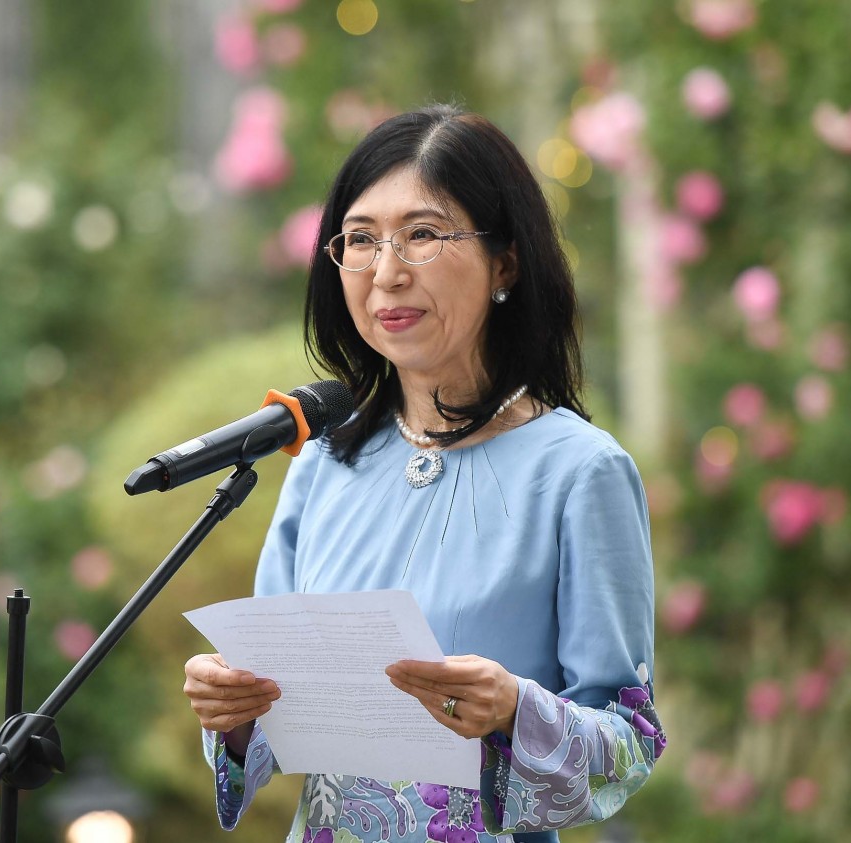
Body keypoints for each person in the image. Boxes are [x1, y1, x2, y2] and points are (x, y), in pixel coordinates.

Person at [182, 104, 665, 843]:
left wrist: (514, 709)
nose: (386, 271)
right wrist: (235, 713)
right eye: (361, 239)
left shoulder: (581, 471)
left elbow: (628, 740)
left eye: (422, 234)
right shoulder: (322, 460)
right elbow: (278, 708)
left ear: (506, 262)